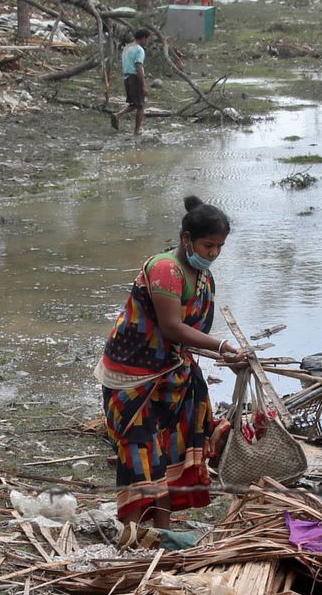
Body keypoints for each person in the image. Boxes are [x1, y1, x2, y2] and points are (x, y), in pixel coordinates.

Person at [99, 196, 246, 543]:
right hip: (134, 376)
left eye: (220, 247)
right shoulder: (166, 269)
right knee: (139, 452)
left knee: (167, 452)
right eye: (208, 245)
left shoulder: (202, 276)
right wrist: (224, 347)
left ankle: (161, 532)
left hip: (172, 372)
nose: (213, 253)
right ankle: (132, 535)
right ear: (186, 239)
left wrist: (229, 357)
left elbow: (193, 335)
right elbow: (172, 328)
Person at [113, 27, 151, 136]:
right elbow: (138, 66)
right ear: (143, 38)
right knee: (140, 105)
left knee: (135, 103)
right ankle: (137, 130)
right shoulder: (139, 50)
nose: (147, 42)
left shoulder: (127, 47)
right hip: (135, 77)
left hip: (127, 77)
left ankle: (118, 115)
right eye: (147, 39)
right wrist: (144, 85)